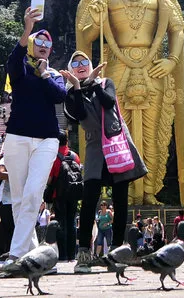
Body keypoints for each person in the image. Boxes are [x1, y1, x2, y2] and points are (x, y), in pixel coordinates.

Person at [75, 0, 184, 206]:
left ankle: (149, 190)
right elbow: (87, 35)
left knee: (152, 132)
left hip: (153, 68)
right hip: (117, 65)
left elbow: (178, 29)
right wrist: (98, 16)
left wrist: (171, 60)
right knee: (117, 130)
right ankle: (122, 192)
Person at [61, 50, 147, 273]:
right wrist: (79, 87)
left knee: (120, 201)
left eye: (84, 62)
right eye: (75, 63)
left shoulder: (106, 82)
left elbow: (109, 104)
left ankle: (117, 252)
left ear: (90, 65)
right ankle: (83, 255)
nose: (81, 65)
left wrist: (96, 84)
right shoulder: (71, 94)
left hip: (116, 146)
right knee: (89, 200)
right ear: (71, 69)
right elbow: (79, 114)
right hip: (94, 150)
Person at [2, 8, 66, 265]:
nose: (42, 46)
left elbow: (59, 96)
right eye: (38, 41)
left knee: (32, 194)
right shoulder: (20, 71)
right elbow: (12, 61)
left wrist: (46, 73)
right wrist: (27, 29)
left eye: (47, 44)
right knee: (18, 199)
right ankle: (32, 251)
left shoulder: (55, 76)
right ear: (31, 45)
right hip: (17, 137)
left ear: (50, 51)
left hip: (47, 139)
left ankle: (16, 254)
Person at [46, 131, 80, 261]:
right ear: (67, 141)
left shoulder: (55, 157)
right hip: (73, 193)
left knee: (61, 223)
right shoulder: (74, 156)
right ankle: (72, 254)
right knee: (72, 222)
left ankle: (63, 254)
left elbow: (50, 179)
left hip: (59, 195)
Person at [0, 153, 14, 258]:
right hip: (6, 200)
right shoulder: (6, 158)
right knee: (7, 228)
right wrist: (17, 175)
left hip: (17, 199)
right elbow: (0, 174)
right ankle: (4, 254)